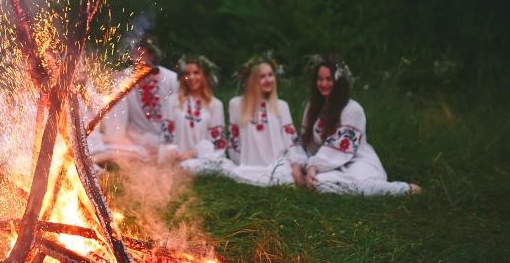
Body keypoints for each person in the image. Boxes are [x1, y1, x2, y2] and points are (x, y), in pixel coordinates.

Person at [296, 55, 421, 196]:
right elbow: (304, 141)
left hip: (355, 161)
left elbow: (338, 148)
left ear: (338, 81)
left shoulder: (352, 109)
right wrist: (299, 164)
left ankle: (403, 189)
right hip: (327, 165)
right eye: (320, 79)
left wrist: (313, 166)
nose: (323, 84)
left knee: (358, 186)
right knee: (315, 182)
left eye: (329, 79)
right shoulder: (311, 107)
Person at [223, 54, 307, 186]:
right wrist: (241, 161)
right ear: (252, 80)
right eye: (262, 77)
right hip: (248, 165)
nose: (268, 80)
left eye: (270, 75)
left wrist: (296, 165)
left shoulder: (281, 106)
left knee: (280, 177)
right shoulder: (237, 104)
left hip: (276, 165)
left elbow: (290, 140)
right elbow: (234, 140)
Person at [100, 36, 179, 162]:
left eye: (145, 54)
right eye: (137, 53)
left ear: (153, 55)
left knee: (173, 150)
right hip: (136, 138)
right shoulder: (124, 78)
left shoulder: (171, 79)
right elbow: (116, 116)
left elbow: (179, 113)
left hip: (168, 139)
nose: (140, 58)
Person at [162, 55, 229, 174]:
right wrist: (173, 151)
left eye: (196, 73)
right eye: (187, 73)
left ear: (205, 76)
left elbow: (217, 141)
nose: (191, 77)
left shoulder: (215, 105)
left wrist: (193, 153)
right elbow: (167, 136)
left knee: (217, 164)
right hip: (178, 155)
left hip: (202, 157)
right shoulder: (173, 101)